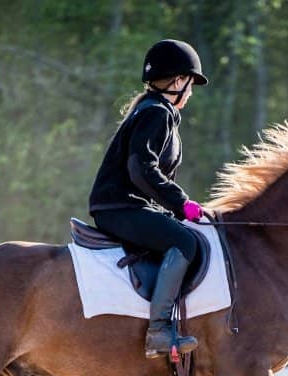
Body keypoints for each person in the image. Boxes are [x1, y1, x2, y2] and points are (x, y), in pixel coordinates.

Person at [88, 39, 208, 359]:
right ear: (178, 81)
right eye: (190, 84)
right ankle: (159, 331)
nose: (191, 92)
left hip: (125, 205)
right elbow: (141, 169)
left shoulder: (153, 109)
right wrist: (180, 202)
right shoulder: (156, 113)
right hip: (120, 207)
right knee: (185, 242)